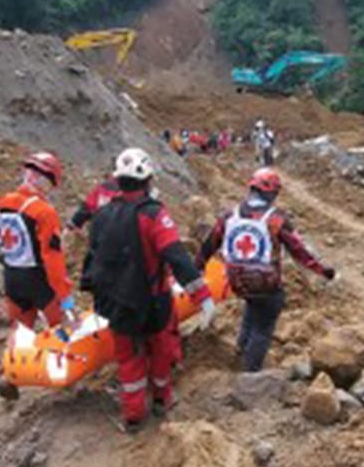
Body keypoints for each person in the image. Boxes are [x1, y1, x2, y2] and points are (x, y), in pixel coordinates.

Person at [83, 148, 215, 432]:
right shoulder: (153, 215)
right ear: (148, 180)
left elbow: (92, 262)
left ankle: (133, 417)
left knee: (128, 360)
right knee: (161, 353)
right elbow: (176, 256)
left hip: (117, 305)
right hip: (153, 303)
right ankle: (161, 401)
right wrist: (202, 296)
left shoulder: (101, 216)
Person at [196, 168, 336, 371]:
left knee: (253, 308)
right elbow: (299, 250)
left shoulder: (230, 215)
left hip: (236, 281)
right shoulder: (276, 219)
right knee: (263, 325)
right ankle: (250, 372)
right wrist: (324, 271)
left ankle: (240, 353)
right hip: (266, 283)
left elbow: (209, 244)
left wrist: (197, 268)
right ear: (271, 193)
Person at [0, 152, 75, 333]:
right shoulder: (44, 212)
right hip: (41, 282)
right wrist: (63, 292)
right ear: (46, 182)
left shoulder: (2, 203)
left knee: (20, 336)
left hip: (12, 279)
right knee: (62, 335)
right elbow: (51, 257)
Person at [66, 167, 121, 233]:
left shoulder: (105, 187)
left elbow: (88, 207)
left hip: (101, 232)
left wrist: (72, 223)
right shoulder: (129, 190)